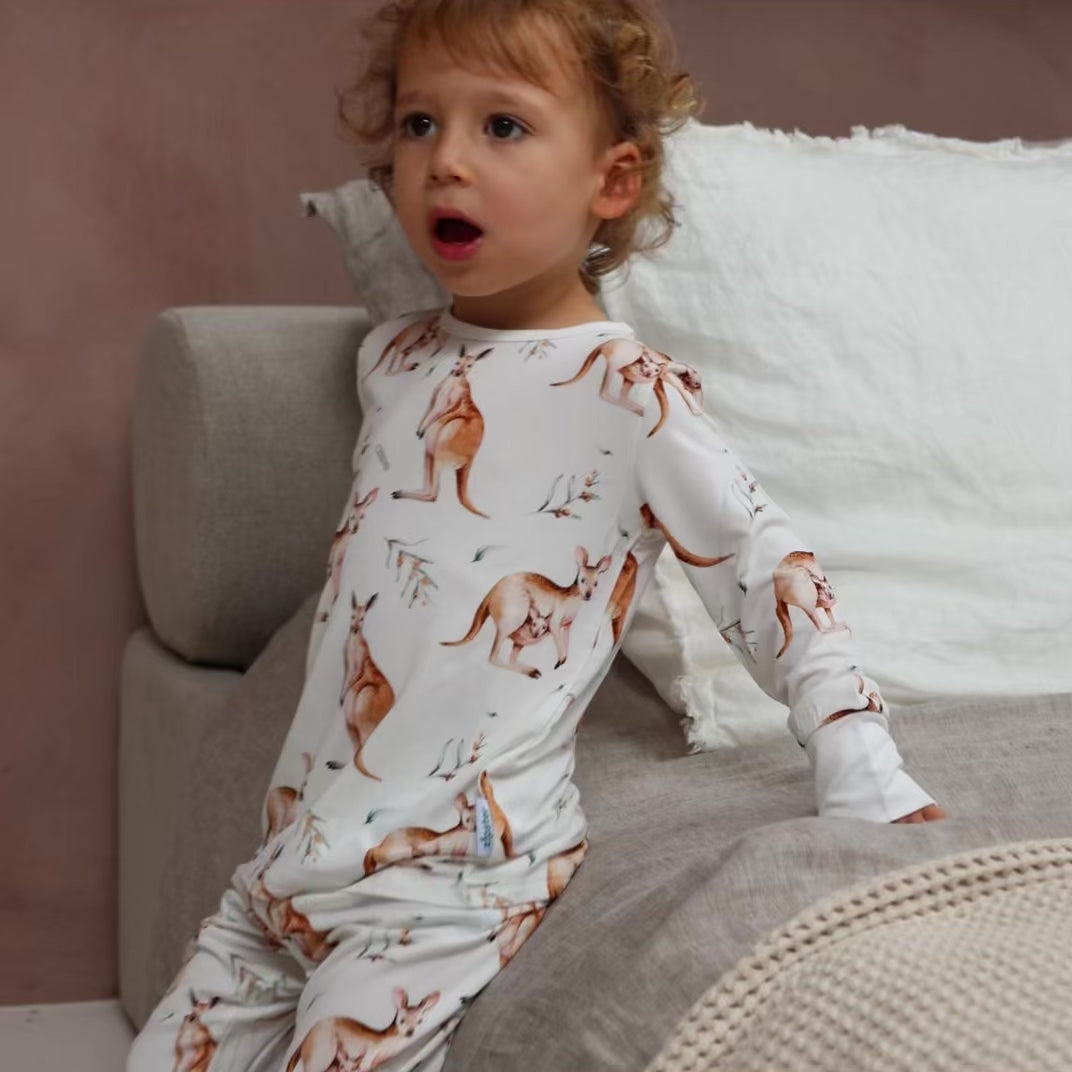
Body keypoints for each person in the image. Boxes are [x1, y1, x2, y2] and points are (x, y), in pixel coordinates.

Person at [127, 1, 945, 1069]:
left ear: (612, 183)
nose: (446, 161)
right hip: (290, 864)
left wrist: (857, 757)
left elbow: (763, 568)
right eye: (420, 123)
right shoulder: (393, 363)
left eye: (502, 126)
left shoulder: (625, 390)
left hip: (450, 880)